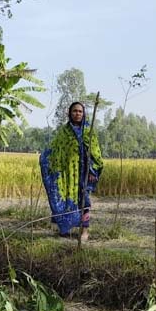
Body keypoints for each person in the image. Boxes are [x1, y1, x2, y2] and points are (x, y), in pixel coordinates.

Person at [40, 102, 103, 240]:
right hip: (67, 175)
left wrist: (93, 170)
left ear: (84, 113)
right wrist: (45, 157)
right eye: (75, 111)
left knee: (84, 200)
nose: (77, 114)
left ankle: (85, 230)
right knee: (65, 199)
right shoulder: (64, 132)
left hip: (84, 172)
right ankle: (64, 229)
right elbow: (56, 150)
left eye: (80, 111)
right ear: (70, 113)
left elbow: (95, 152)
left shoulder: (88, 130)